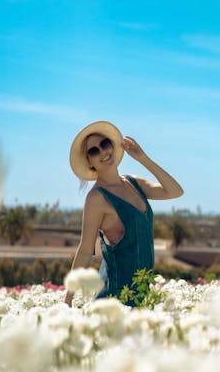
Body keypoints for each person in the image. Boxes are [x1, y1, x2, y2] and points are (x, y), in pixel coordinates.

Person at [65, 120, 184, 306]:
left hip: (142, 294)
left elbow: (175, 191)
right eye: (94, 151)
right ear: (89, 161)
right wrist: (67, 300)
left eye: (104, 144)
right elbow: (86, 249)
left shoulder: (134, 183)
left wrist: (143, 158)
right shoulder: (97, 198)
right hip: (115, 298)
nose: (103, 152)